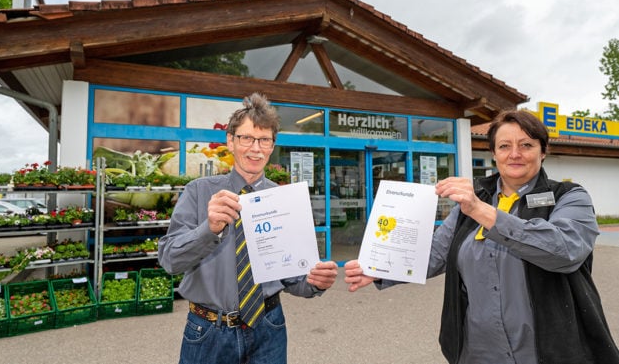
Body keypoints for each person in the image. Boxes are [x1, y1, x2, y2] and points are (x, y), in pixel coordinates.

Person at [344, 109, 619, 364]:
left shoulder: (569, 197)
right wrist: (380, 269)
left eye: (526, 145)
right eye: (504, 146)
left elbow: (564, 251)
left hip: (548, 352)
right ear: (493, 153)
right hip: (479, 352)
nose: (515, 154)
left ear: (543, 151)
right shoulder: (475, 200)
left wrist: (481, 211)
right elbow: (436, 254)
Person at [158, 92, 338, 364]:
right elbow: (170, 260)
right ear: (230, 141)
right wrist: (209, 229)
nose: (256, 148)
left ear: (272, 145)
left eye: (264, 140)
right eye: (246, 138)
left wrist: (313, 283)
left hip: (269, 328)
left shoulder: (283, 199)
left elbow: (292, 279)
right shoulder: (198, 193)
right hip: (208, 332)